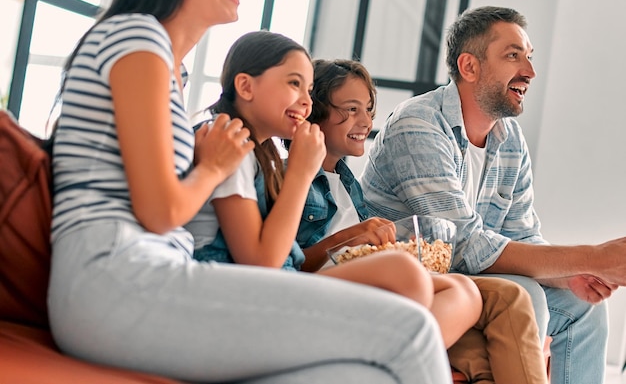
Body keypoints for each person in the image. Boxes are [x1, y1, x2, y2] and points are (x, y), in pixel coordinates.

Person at [47, 0, 454, 383]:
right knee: (411, 333)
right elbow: (160, 210)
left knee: (364, 374)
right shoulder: (138, 40)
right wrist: (213, 167)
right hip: (115, 278)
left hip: (139, 273)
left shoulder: (169, 66)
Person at [359, 5, 626, 384]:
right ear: (469, 67)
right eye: (513, 55)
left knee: (583, 307)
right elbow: (465, 249)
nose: (530, 72)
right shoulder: (417, 125)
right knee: (524, 296)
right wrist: (595, 257)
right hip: (423, 280)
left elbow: (522, 236)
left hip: (472, 276)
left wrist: (569, 275)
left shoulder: (509, 138)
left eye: (529, 57)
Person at [186, 30, 481, 346]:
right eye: (294, 83)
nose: (306, 101)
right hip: (246, 293)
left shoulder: (259, 155)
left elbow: (280, 256)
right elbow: (263, 264)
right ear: (246, 86)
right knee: (405, 272)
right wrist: (302, 172)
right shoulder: (228, 143)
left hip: (274, 281)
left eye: (309, 89)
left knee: (465, 292)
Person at [296, 58, 549, 384]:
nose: (366, 121)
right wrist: (356, 237)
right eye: (351, 109)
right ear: (315, 111)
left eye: (368, 109)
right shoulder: (294, 177)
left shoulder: (349, 184)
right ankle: (381, 363)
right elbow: (292, 263)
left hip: (383, 283)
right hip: (352, 293)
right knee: (497, 296)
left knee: (492, 337)